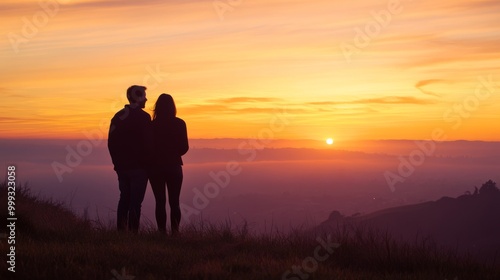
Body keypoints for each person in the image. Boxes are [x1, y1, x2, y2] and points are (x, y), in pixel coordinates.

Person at [108, 85, 151, 233]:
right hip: (139, 168)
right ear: (138, 97)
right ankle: (133, 234)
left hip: (122, 167)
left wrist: (116, 163)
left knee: (124, 199)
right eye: (144, 95)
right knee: (135, 203)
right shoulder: (144, 118)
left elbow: (111, 143)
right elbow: (147, 144)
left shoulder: (118, 116)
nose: (146, 98)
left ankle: (121, 232)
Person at [149, 93, 189, 234]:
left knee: (160, 202)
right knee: (175, 202)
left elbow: (147, 147)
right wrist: (173, 154)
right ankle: (175, 232)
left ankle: (161, 233)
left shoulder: (152, 125)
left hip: (155, 168)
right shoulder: (179, 123)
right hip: (174, 166)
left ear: (157, 108)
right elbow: (185, 147)